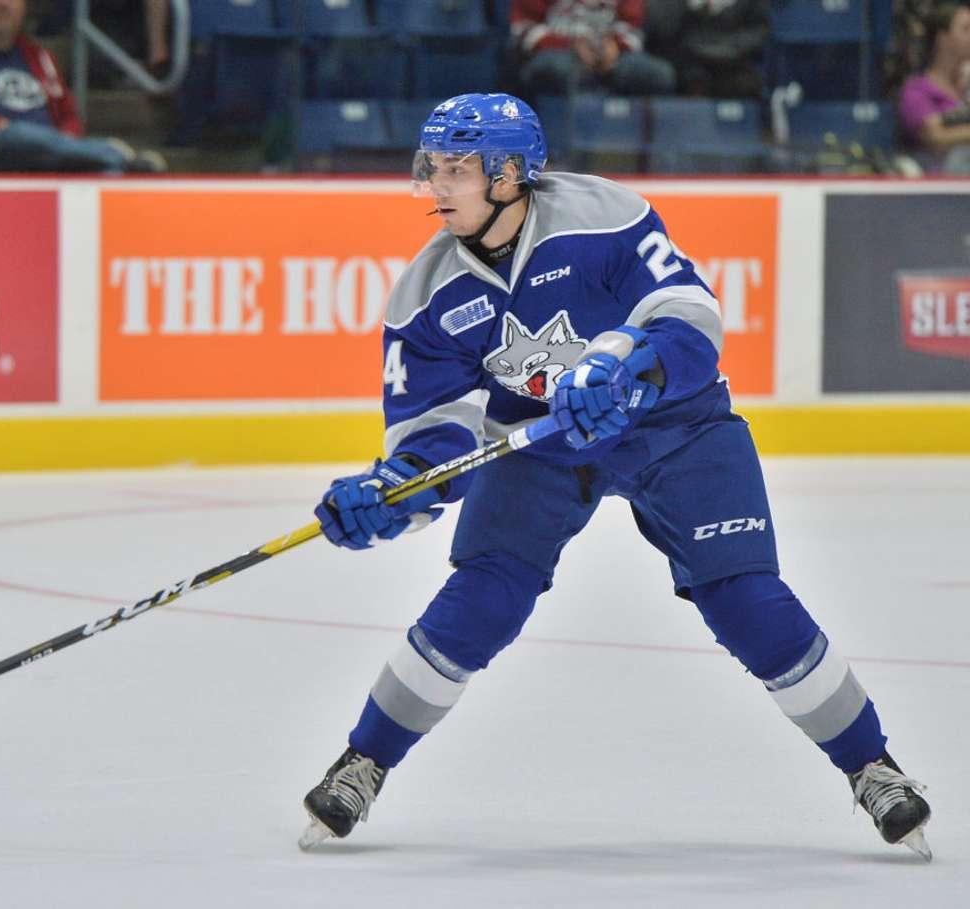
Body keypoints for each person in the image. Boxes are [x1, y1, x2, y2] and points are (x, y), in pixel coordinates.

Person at [299, 92, 934, 862]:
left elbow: (690, 316)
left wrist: (630, 363)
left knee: (746, 599)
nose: (437, 184)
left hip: (674, 426)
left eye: (457, 168)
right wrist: (390, 497)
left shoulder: (602, 216)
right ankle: (364, 759)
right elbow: (436, 440)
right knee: (481, 595)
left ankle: (873, 766)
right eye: (433, 166)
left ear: (509, 173)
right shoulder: (428, 294)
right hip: (538, 445)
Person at [0, 0, 165, 173]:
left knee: (109, 172)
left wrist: (65, 139)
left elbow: (69, 115)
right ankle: (112, 152)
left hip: (49, 150)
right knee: (19, 133)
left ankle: (114, 162)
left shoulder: (40, 56)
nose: (4, 5)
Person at [510, 0, 676, 97]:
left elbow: (633, 28)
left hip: (613, 57)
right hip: (558, 53)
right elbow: (523, 29)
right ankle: (557, 148)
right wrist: (569, 45)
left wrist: (616, 46)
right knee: (558, 68)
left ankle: (628, 146)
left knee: (658, 74)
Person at [898, 2, 970, 174]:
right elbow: (936, 138)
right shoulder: (916, 91)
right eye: (967, 29)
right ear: (942, 37)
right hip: (940, 191)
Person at [644, 0, 768, 98]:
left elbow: (758, 30)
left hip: (731, 62)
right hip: (685, 61)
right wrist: (688, 5)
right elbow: (661, 30)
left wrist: (727, 49)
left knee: (745, 84)